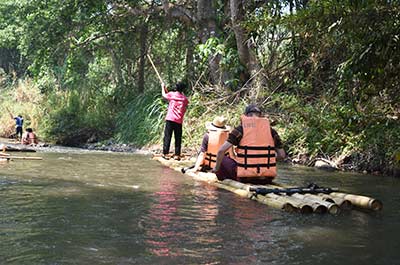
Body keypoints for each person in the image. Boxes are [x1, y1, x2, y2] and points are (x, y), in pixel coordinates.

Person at [212, 104, 286, 184]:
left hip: (245, 178)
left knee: (223, 159)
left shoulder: (240, 129)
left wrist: (216, 169)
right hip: (267, 178)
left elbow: (221, 151)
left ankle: (220, 182)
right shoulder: (272, 131)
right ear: (261, 115)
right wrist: (265, 160)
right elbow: (282, 155)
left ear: (246, 115)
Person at [161, 81, 189, 160]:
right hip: (178, 120)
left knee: (167, 136)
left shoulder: (172, 94)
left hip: (170, 119)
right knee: (178, 137)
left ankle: (165, 153)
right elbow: (186, 102)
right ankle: (177, 154)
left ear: (176, 87)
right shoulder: (184, 98)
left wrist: (163, 87)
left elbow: (164, 95)